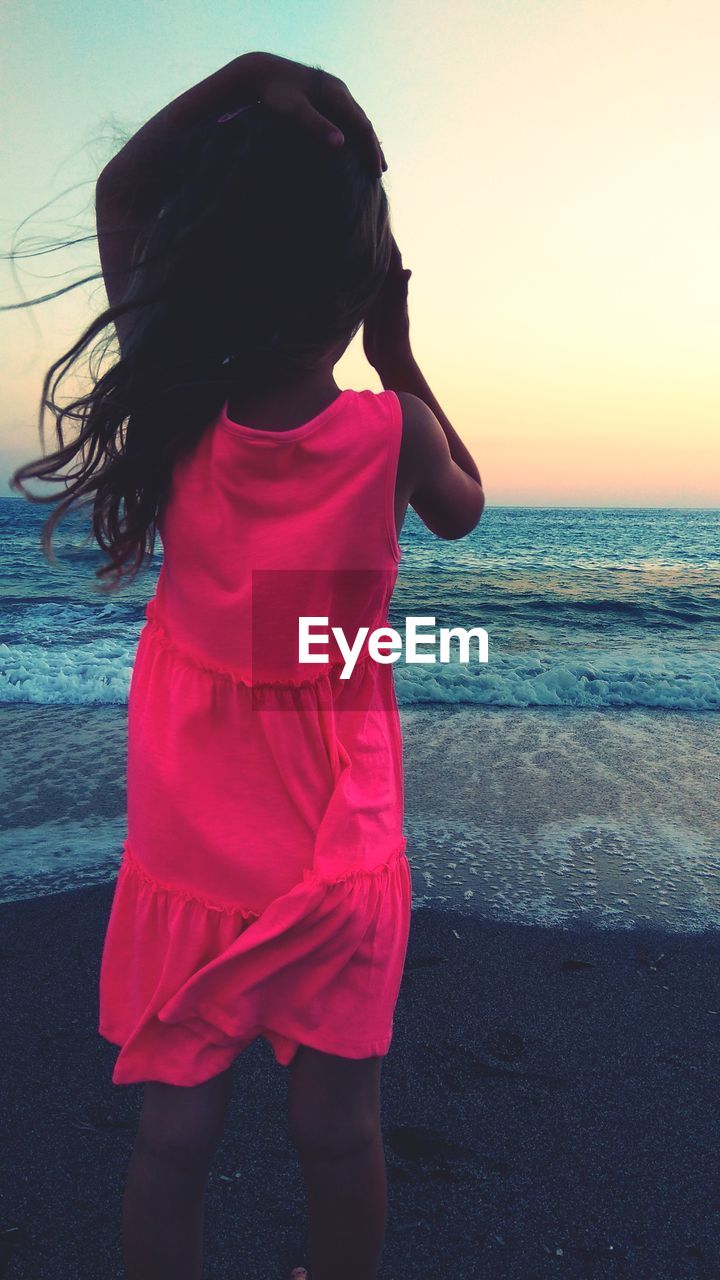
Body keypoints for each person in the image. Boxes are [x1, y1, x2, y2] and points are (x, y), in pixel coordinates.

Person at [10, 51, 484, 1280]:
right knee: (340, 1130)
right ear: (362, 285)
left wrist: (257, 77)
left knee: (172, 1138)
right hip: (336, 827)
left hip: (193, 843)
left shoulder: (175, 408)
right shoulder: (392, 433)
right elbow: (466, 513)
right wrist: (400, 355)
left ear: (210, 271)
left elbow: (122, 191)